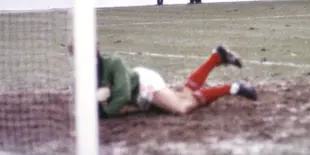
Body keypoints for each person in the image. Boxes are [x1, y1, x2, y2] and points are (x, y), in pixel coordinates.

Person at [75, 44, 257, 118]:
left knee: (181, 108)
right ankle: (216, 58)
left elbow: (122, 95)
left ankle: (233, 88)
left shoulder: (112, 62)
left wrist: (105, 113)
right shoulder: (84, 75)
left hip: (144, 85)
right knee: (185, 96)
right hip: (141, 92)